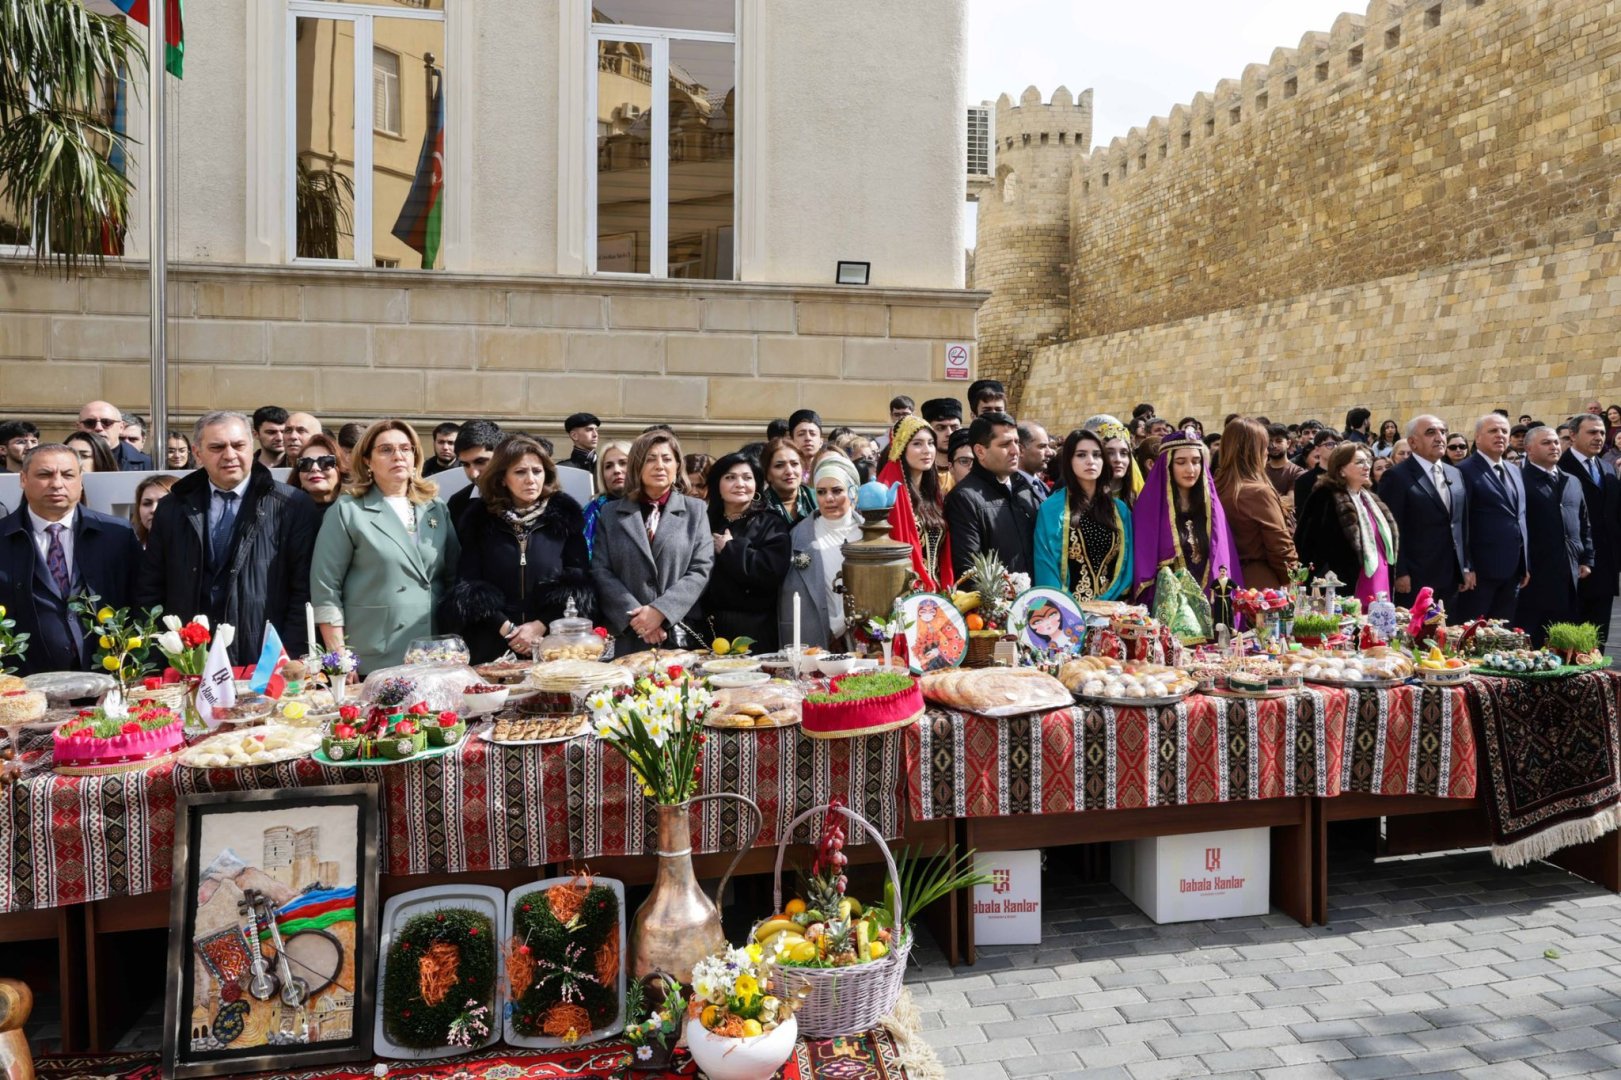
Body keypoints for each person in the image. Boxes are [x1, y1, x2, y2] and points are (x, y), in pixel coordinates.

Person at [137, 412, 320, 665]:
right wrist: (162, 655)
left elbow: (304, 591)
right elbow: (150, 588)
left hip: (264, 659)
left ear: (251, 447)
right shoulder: (171, 508)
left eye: (238, 445)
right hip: (190, 660)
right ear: (197, 453)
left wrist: (289, 657)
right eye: (217, 447)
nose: (230, 455)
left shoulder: (292, 506)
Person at [311, 420, 460, 672]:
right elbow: (326, 589)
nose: (398, 456)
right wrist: (339, 659)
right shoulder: (348, 510)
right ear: (368, 460)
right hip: (375, 654)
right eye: (386, 450)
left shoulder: (435, 507)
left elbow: (453, 576)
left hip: (432, 650)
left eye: (406, 448)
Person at [442, 436, 594, 664]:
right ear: (503, 478)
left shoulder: (565, 517)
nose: (531, 480)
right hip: (492, 641)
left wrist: (539, 626)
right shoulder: (479, 519)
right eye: (521, 472)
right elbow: (468, 585)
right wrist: (509, 630)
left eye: (537, 471)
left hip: (552, 643)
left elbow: (579, 582)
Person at [0, 445, 142, 676]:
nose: (57, 484)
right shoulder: (2, 538)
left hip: (105, 681)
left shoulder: (117, 535)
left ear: (81, 480)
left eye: (67, 475)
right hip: (23, 686)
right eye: (44, 475)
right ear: (23, 479)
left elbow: (139, 600)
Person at [591, 429, 713, 654]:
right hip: (627, 634)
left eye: (667, 459)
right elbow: (601, 570)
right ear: (637, 466)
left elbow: (700, 569)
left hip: (678, 631)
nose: (660, 466)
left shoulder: (695, 511)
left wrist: (661, 611)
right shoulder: (611, 513)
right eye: (650, 459)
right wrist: (639, 619)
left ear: (677, 466)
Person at [1132, 433, 1241, 605]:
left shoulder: (1211, 510)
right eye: (1181, 462)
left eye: (1196, 461)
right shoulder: (1149, 511)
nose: (1190, 469)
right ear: (1167, 465)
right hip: (1168, 609)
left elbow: (1222, 559)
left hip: (1208, 605)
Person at [700, 452, 791, 650]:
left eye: (747, 478)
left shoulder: (771, 522)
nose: (740, 484)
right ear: (717, 484)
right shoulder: (704, 521)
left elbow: (771, 571)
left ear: (757, 485)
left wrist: (731, 549)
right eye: (730, 477)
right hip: (707, 628)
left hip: (756, 629)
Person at [1382, 415, 1472, 612]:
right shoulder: (1397, 476)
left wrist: (1465, 566)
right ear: (1413, 442)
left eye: (1443, 431)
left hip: (1450, 575)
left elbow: (1460, 523)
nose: (1439, 437)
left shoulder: (1455, 473)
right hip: (1416, 576)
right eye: (1431, 432)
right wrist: (1400, 571)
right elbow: (1391, 528)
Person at [1294, 443, 1400, 607]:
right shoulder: (1325, 496)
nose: (1367, 466)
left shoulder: (1369, 498)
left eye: (1367, 461)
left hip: (1379, 579)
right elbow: (1307, 544)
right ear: (1341, 469)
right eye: (1359, 462)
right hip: (1344, 584)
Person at [1035, 428, 1134, 601]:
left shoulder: (1120, 510)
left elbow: (1127, 564)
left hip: (1112, 610)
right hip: (1067, 614)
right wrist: (1070, 609)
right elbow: (1046, 566)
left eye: (1097, 455)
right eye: (1081, 455)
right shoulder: (1051, 509)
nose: (1090, 461)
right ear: (1069, 461)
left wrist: (1106, 604)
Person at [777, 455, 863, 651]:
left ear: (853, 492)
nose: (829, 498)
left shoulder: (869, 534)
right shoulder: (798, 536)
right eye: (822, 492)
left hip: (863, 635)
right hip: (816, 638)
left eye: (837, 490)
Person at [1518, 426, 1593, 646]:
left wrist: (1586, 558)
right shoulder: (1520, 481)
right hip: (1535, 572)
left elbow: (1584, 522)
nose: (1554, 447)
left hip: (1569, 570)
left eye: (1556, 442)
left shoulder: (1572, 481)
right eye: (1546, 443)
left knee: (1564, 634)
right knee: (1534, 634)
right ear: (1529, 449)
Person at [944, 411, 1041, 578]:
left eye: (1016, 442)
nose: (1015, 451)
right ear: (980, 451)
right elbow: (969, 571)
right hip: (997, 602)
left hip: (1038, 601)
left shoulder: (1026, 489)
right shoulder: (964, 498)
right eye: (1005, 445)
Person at [1454, 414, 1528, 621]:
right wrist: (1466, 566)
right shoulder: (1463, 471)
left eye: (1504, 431)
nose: (1500, 436)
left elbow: (1519, 518)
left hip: (1512, 569)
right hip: (1480, 572)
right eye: (1493, 431)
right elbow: (1461, 523)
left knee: (1502, 634)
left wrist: (1525, 563)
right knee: (1471, 632)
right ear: (1477, 438)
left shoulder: (1514, 470)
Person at [1214, 418, 1298, 589]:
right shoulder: (1258, 492)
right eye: (1264, 447)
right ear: (1254, 451)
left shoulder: (1215, 488)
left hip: (1222, 580)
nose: (1267, 452)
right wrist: (1293, 578)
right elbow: (1280, 547)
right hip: (1259, 585)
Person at [1559, 412, 1621, 644]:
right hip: (1574, 564)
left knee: (1598, 634)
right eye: (1592, 432)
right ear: (1573, 435)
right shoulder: (1560, 467)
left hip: (1605, 565)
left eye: (1602, 433)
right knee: (1570, 634)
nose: (1599, 437)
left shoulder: (1606, 468)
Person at [877, 416, 954, 591]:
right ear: (901, 448)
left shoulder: (934, 495)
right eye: (917, 444)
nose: (927, 450)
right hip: (904, 592)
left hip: (939, 594)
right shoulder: (888, 493)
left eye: (931, 443)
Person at [446, 419, 502, 531]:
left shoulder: (525, 497)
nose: (473, 474)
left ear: (501, 456)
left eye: (480, 462)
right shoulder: (457, 504)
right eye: (465, 464)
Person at [583, 440, 631, 556]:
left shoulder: (652, 505)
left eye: (623, 463)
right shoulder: (593, 511)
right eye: (608, 466)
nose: (616, 470)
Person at [1083, 415, 1143, 506]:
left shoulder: (1138, 497)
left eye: (1123, 453)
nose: (1118, 460)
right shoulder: (1079, 498)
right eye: (1109, 453)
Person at [77, 401, 151, 470]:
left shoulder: (148, 465)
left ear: (121, 427)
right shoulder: (67, 459)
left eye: (106, 422)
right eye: (90, 423)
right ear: (78, 427)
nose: (98, 428)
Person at [761, 435, 815, 524]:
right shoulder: (758, 509)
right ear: (767, 473)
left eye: (794, 464)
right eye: (779, 466)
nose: (789, 471)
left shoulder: (817, 499)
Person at [289, 433, 345, 515]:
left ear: (340, 469)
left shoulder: (355, 509)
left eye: (325, 462)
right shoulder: (286, 513)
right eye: (306, 463)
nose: (314, 468)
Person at [1293, 429, 1341, 512]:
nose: (1336, 448)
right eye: (1329, 444)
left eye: (1338, 444)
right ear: (1317, 449)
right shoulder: (1304, 480)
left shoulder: (1346, 476)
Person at [1264, 423, 1306, 509]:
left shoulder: (1297, 472)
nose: (1274, 445)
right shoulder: (1259, 469)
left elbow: (1289, 501)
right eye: (1270, 441)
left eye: (1278, 441)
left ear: (1288, 443)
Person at [130, 474, 178, 547]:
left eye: (163, 503)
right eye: (147, 503)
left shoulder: (196, 551)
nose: (153, 510)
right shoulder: (129, 551)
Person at [1016, 422, 1055, 498]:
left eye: (1048, 446)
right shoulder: (1010, 490)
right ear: (1020, 450)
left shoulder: (1042, 486)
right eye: (1042, 446)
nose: (1049, 453)